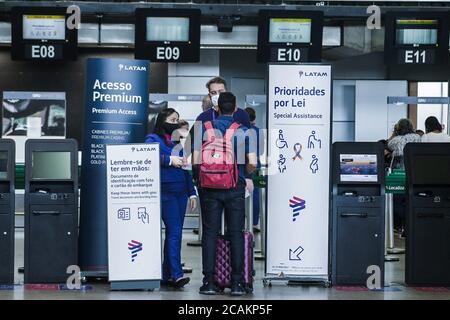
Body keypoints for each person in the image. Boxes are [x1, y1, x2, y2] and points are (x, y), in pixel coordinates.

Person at [193, 92, 257, 296]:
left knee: (210, 234)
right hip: (234, 187)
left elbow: (195, 160)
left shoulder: (203, 128)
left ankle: (209, 282)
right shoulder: (244, 131)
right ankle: (237, 283)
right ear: (236, 108)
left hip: (209, 188)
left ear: (217, 107)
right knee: (235, 233)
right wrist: (242, 174)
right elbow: (253, 162)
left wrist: (201, 180)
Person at [145, 108, 197, 289]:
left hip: (181, 193)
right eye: (173, 120)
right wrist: (168, 160)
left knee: (174, 233)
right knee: (174, 232)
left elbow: (185, 168)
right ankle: (176, 274)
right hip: (165, 193)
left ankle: (167, 274)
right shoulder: (152, 139)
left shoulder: (177, 143)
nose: (176, 123)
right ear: (163, 121)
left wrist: (192, 192)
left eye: (177, 120)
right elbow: (145, 155)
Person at [244, 107, 264, 233]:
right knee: (255, 195)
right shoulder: (258, 131)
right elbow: (261, 150)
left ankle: (239, 223)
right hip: (256, 164)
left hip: (243, 165)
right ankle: (255, 222)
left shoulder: (241, 131)